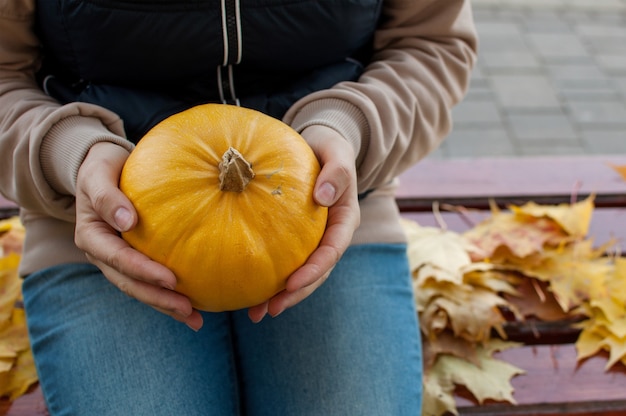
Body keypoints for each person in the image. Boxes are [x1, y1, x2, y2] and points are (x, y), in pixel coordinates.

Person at [0, 0, 477, 414]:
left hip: (325, 213)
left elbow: (431, 44)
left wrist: (350, 128)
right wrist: (66, 151)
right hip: (98, 226)